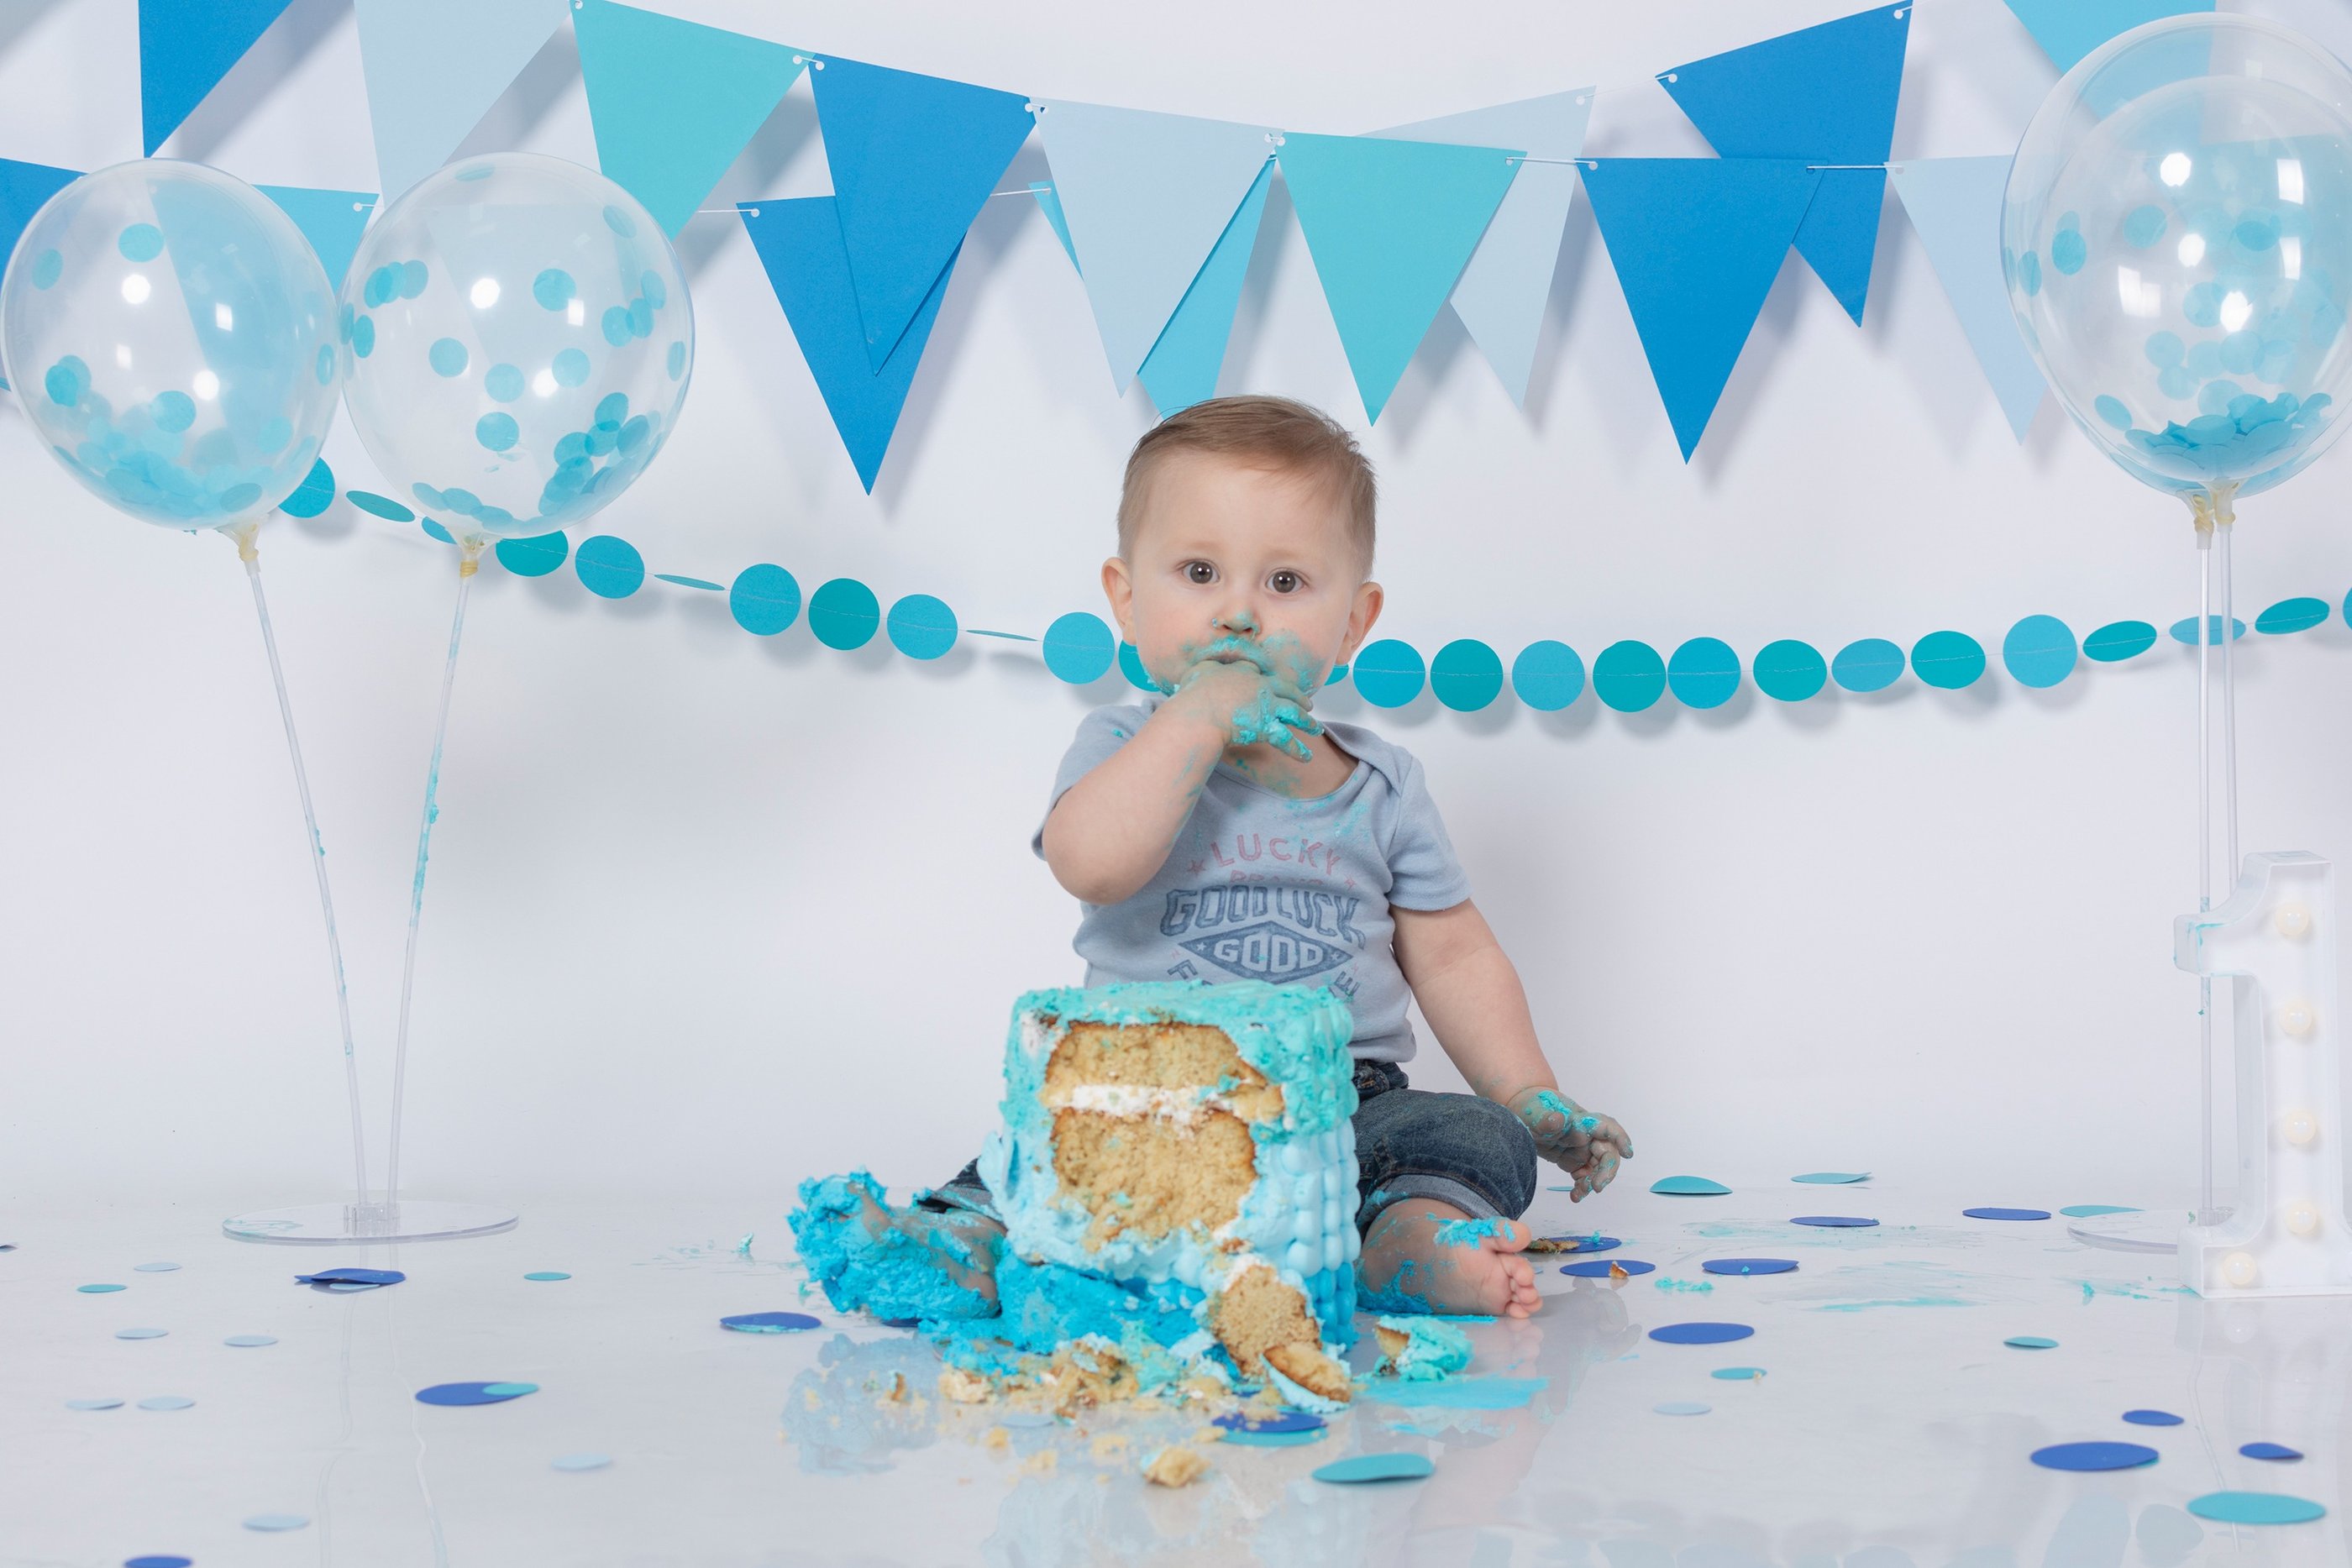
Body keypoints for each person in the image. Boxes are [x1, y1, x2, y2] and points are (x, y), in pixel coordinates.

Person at [811, 395, 1630, 1319]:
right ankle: (961, 1242)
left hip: (1340, 1102)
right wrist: (1193, 719)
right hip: (1140, 1090)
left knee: (1468, 1135)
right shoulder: (1119, 744)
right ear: (1127, 599)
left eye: (1285, 584)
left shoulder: (1382, 784)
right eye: (1199, 572)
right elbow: (1091, 864)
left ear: (1353, 621)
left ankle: (1405, 1236)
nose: (1239, 614)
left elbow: (1455, 955)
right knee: (1032, 1144)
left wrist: (1526, 1090)